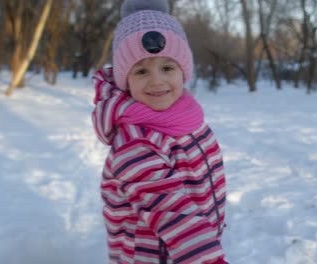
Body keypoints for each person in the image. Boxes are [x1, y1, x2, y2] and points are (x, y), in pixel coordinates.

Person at [91, 0, 227, 263]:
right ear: (125, 80)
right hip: (151, 254)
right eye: (141, 70)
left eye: (167, 67)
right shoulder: (135, 142)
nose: (156, 80)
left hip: (192, 247)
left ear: (183, 71)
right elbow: (170, 209)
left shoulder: (186, 116)